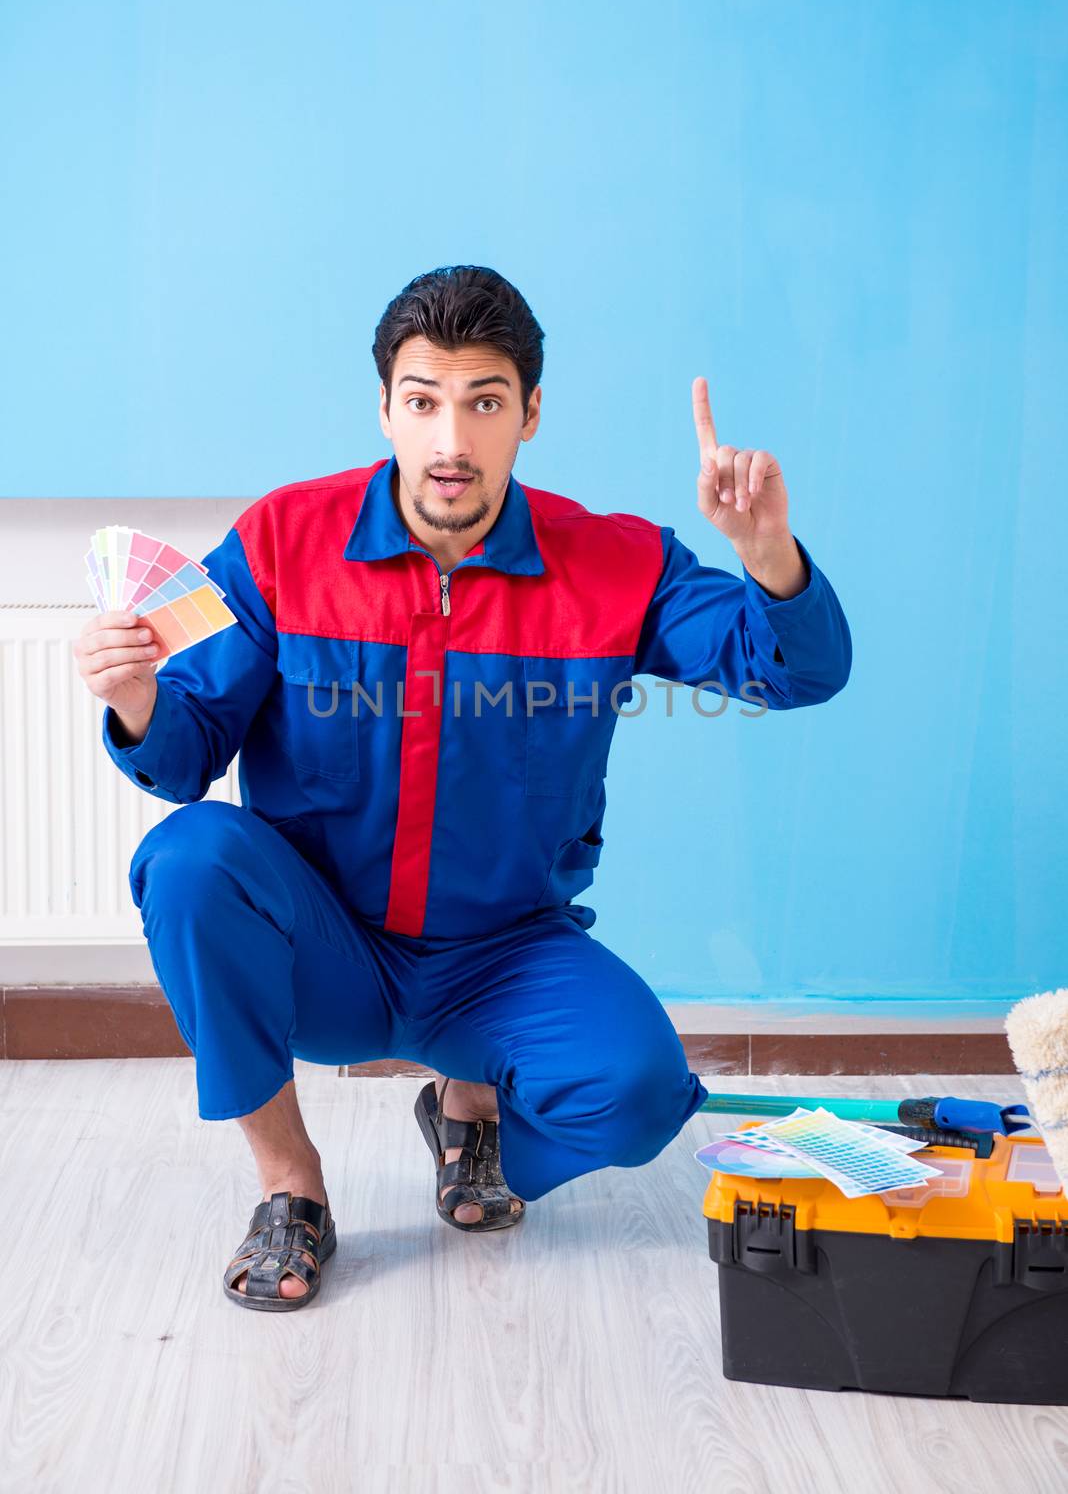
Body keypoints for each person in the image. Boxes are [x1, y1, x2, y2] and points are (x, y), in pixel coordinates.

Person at [73, 265, 852, 1312]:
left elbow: (792, 669)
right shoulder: (280, 545)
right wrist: (134, 698)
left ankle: (471, 1114)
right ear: (385, 408)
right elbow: (180, 756)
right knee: (191, 858)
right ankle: (290, 1189)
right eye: (424, 400)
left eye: (484, 401)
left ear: (530, 412)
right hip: (330, 952)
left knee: (640, 1093)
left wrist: (769, 558)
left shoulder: (616, 564)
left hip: (503, 959)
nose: (451, 441)